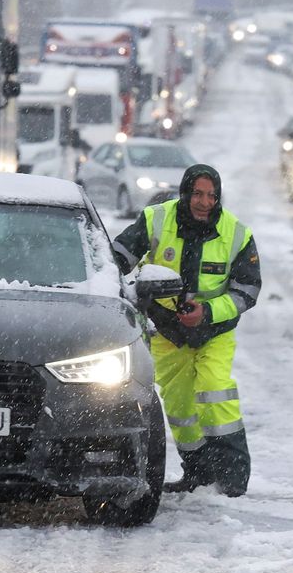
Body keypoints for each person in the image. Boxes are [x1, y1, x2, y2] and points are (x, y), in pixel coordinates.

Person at [112, 164, 261, 496]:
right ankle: (197, 472)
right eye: (197, 193)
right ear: (184, 193)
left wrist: (206, 312)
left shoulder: (237, 233)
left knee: (214, 392)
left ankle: (234, 478)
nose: (204, 202)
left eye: (211, 195)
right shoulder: (156, 219)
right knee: (179, 407)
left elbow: (247, 291)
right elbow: (116, 258)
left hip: (215, 332)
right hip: (168, 331)